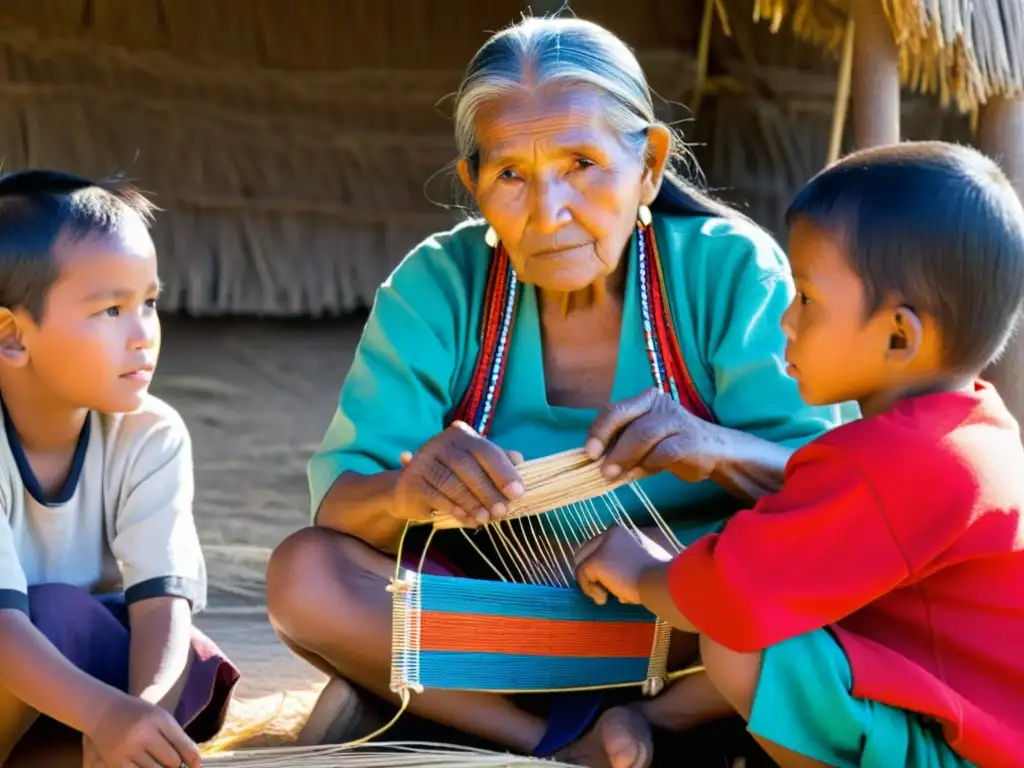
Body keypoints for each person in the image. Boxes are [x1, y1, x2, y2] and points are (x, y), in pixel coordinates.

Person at [266, 15, 847, 768]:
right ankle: (556, 746)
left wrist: (712, 448)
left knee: (836, 590)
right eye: (511, 174)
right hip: (501, 618)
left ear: (649, 163)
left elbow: (832, 491)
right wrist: (405, 494)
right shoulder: (435, 288)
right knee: (304, 576)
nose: (548, 212)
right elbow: (338, 505)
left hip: (689, 617)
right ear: (474, 183)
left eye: (581, 163)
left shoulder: (729, 272)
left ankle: (624, 718)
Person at [575, 140, 1024, 768]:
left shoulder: (884, 465)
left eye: (807, 299)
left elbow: (734, 593)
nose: (787, 321)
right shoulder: (978, 428)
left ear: (899, 335)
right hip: (986, 735)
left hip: (960, 756)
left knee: (742, 635)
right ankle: (653, 720)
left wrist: (641, 573)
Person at [0, 170, 240, 768]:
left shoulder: (150, 434)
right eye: (111, 309)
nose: (144, 337)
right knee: (47, 612)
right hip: (20, 669)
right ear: (11, 333)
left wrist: (144, 714)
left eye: (149, 303)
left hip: (94, 677)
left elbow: (162, 604)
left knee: (174, 656)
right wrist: (106, 717)